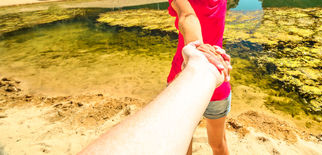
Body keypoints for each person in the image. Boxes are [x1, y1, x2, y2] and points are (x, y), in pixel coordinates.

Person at [168, 0, 251, 155]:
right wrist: (199, 45)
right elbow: (188, 17)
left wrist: (194, 48)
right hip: (217, 78)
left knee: (181, 143)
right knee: (219, 144)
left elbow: (187, 16)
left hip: (182, 80)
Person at [78, 41, 229, 155]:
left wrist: (198, 62)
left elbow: (187, 18)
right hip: (205, 75)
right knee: (208, 143)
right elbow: (188, 17)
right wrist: (201, 63)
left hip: (188, 81)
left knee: (189, 141)